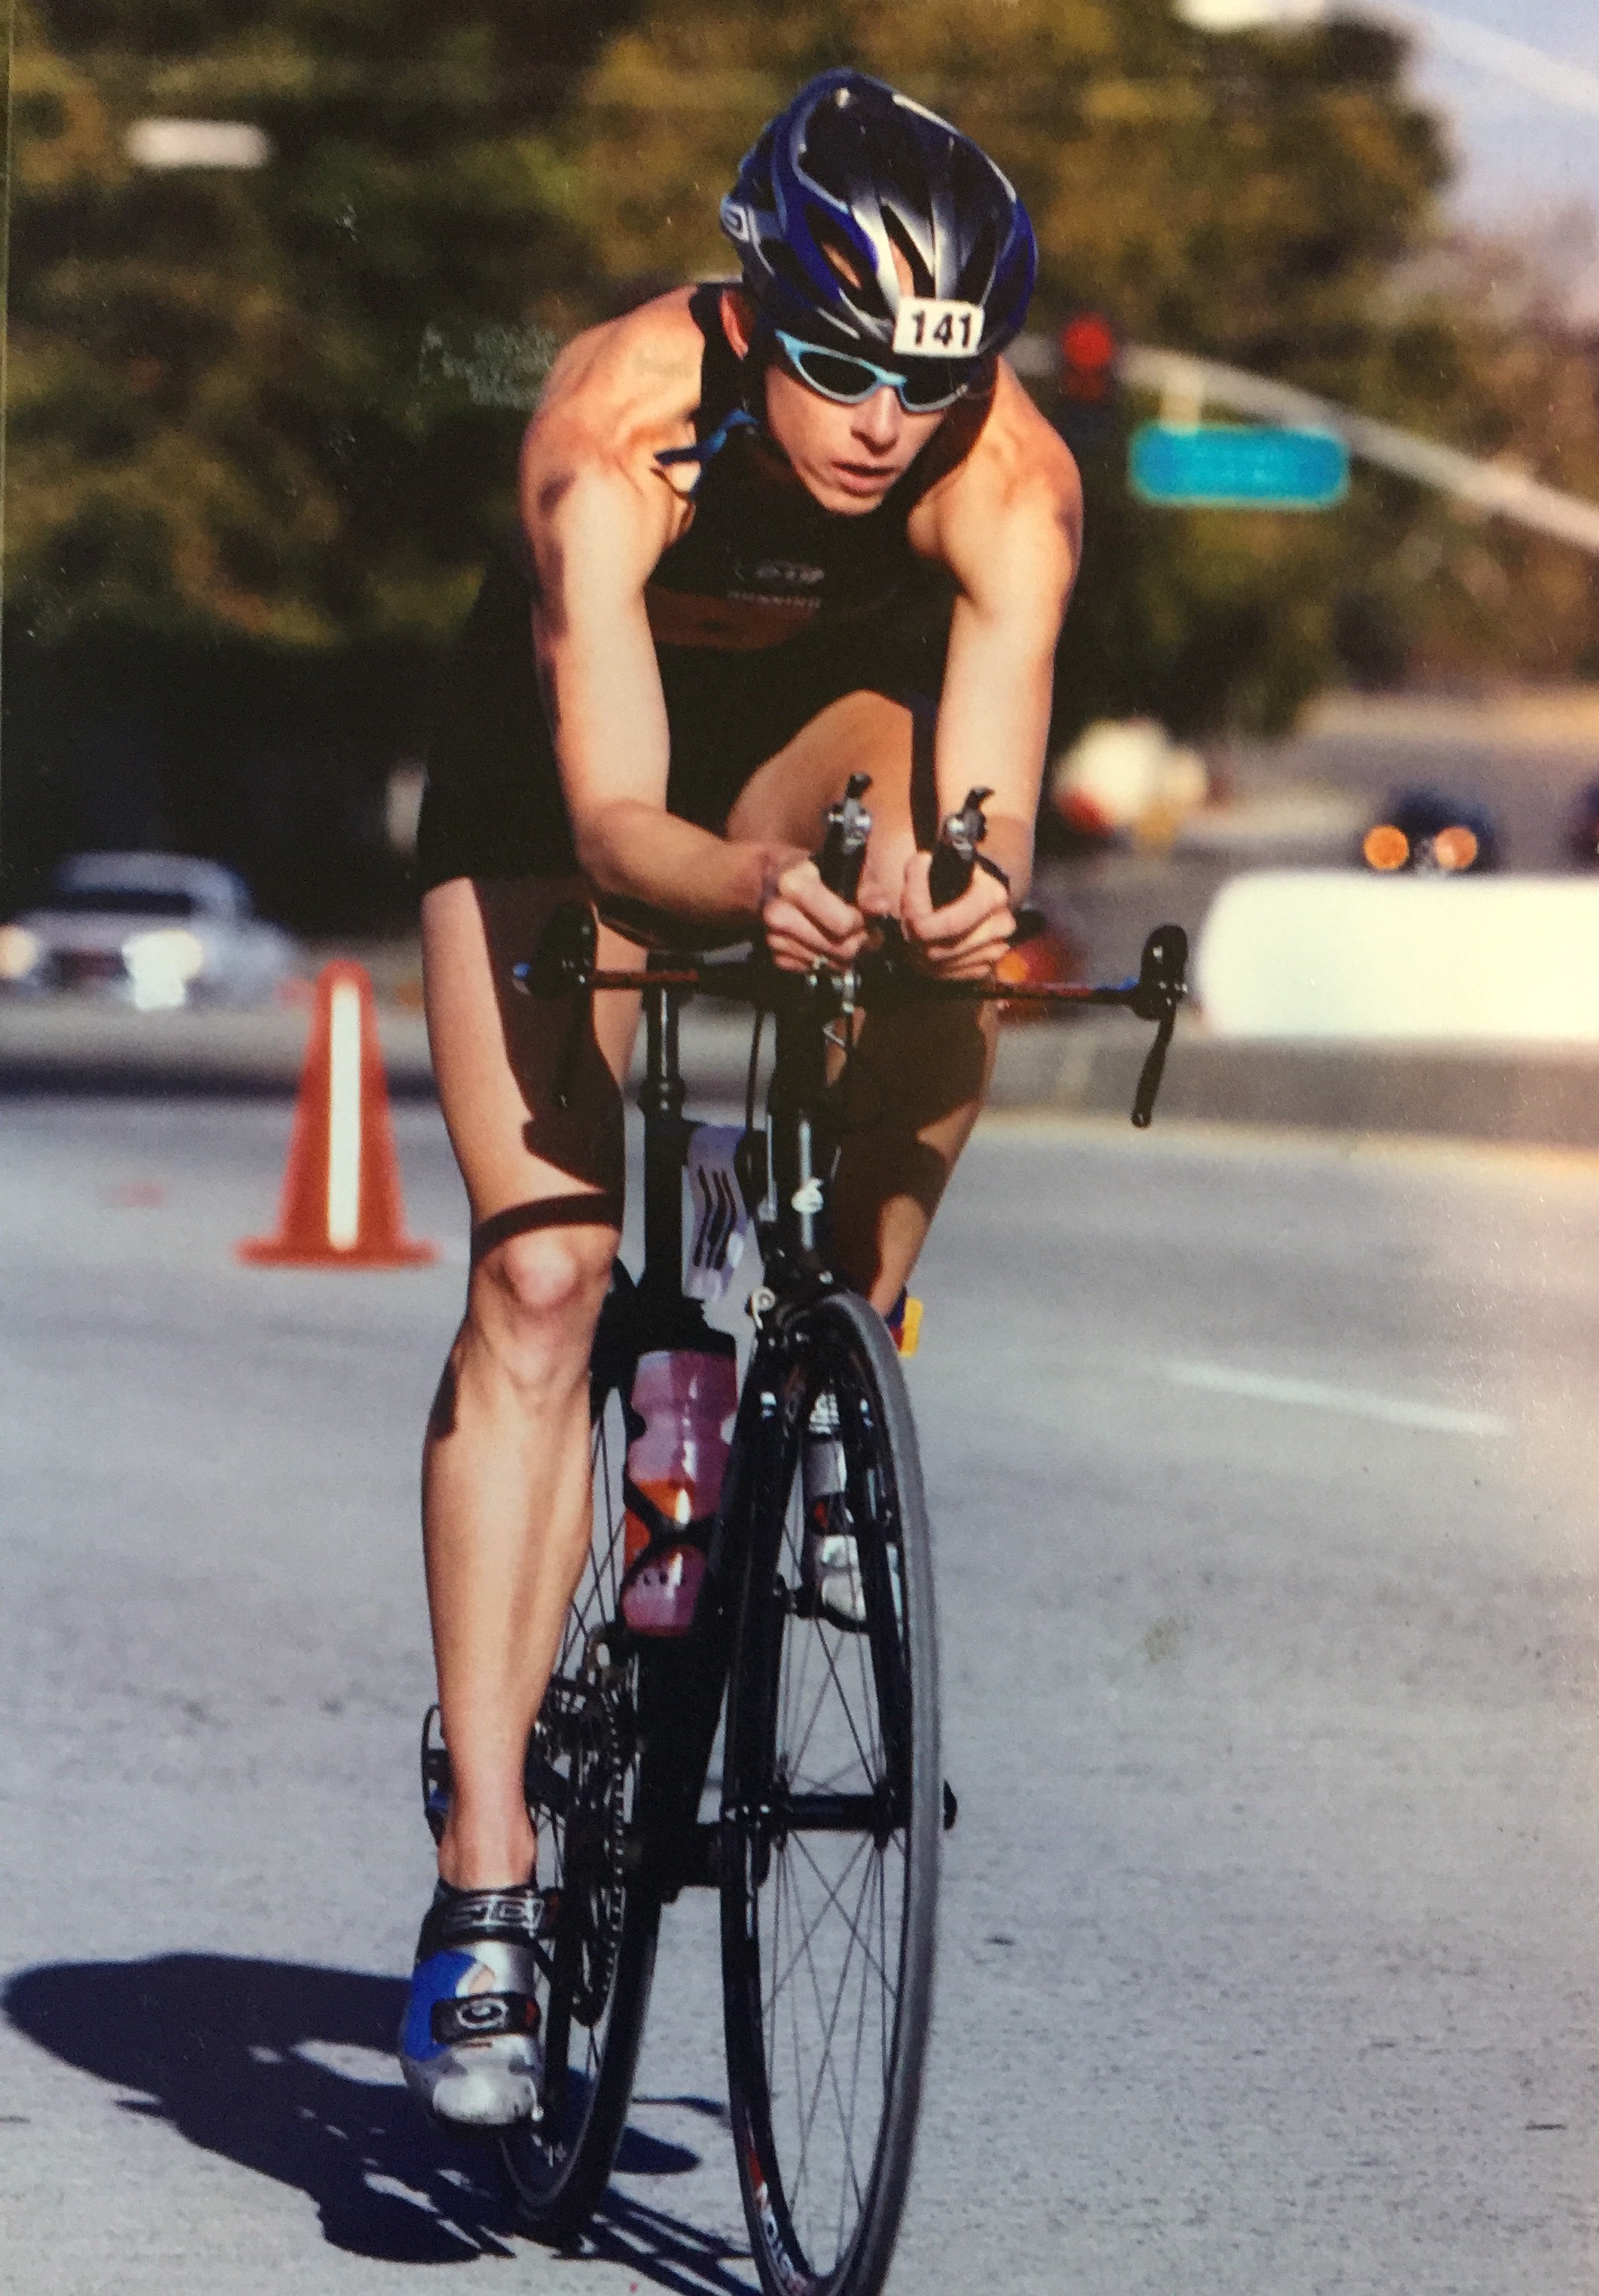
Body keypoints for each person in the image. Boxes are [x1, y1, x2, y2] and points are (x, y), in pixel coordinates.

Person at [398, 67, 1081, 2128]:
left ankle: (847, 1336)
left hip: (806, 731)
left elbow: (989, 806)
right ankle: (488, 1886)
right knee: (546, 1276)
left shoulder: (1012, 482)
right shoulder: (613, 432)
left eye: (927, 384)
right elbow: (619, 825)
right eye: (840, 366)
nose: (881, 422)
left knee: (948, 931)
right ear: (756, 313)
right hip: (565, 775)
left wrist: (956, 893)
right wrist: (743, 888)